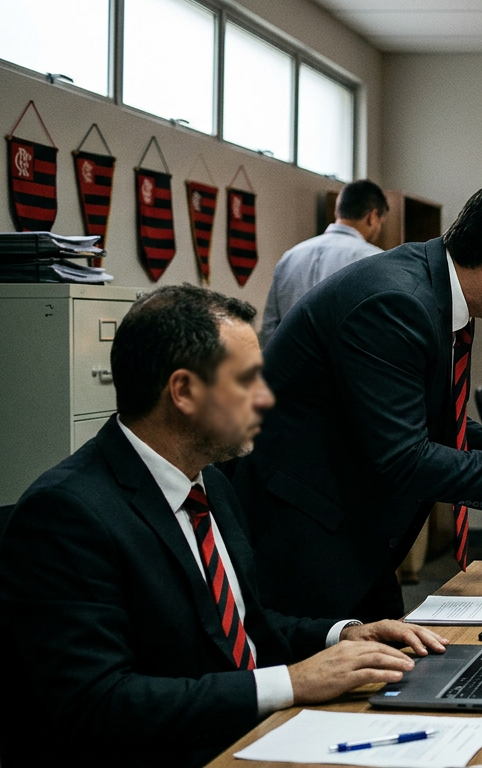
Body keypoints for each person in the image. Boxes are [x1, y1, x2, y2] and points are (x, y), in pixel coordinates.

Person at [0, 286, 449, 768]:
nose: (265, 398)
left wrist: (341, 635)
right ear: (184, 391)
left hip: (252, 734)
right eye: (248, 381)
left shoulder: (209, 482)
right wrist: (293, 682)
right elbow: (102, 703)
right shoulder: (67, 514)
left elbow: (241, 622)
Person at [231, 174, 482, 623]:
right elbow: (403, 459)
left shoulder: (445, 296)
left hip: (357, 538)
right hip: (302, 542)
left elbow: (442, 422)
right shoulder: (397, 303)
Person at [259, 179, 388, 345]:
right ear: (372, 216)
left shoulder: (290, 257)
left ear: (338, 212)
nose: (379, 229)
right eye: (381, 222)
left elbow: (270, 329)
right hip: (345, 368)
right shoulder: (376, 261)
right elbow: (380, 329)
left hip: (290, 367)